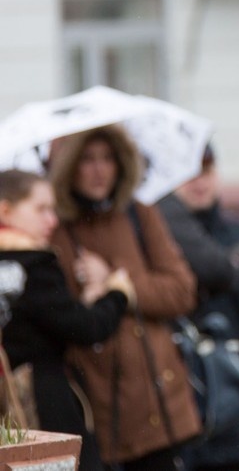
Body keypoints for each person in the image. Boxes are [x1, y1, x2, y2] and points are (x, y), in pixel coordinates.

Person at [47, 125, 202, 470]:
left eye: (107, 158)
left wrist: (119, 283)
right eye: (87, 159)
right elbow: (61, 319)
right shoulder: (54, 230)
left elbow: (181, 291)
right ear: (69, 166)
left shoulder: (138, 214)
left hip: (162, 401)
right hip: (102, 405)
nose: (99, 169)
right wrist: (93, 295)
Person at [0, 169, 136, 471]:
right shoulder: (34, 264)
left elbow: (46, 319)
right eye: (41, 209)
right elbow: (87, 329)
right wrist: (117, 294)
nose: (52, 220)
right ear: (5, 210)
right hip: (41, 402)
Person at [158, 144, 239, 471]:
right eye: (187, 173)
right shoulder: (160, 242)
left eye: (206, 170)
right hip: (189, 383)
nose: (198, 181)